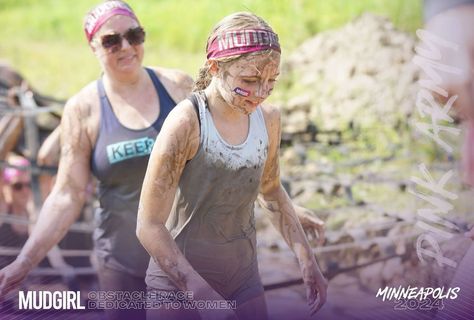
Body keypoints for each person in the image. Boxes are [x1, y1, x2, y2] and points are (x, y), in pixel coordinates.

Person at [0, 1, 192, 319]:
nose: (126, 47)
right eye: (111, 40)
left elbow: (218, 157)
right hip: (121, 263)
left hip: (187, 261)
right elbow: (67, 195)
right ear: (93, 46)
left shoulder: (178, 88)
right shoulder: (83, 109)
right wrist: (24, 262)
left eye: (134, 35)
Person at [137, 12, 328, 320]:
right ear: (215, 68)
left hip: (243, 282)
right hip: (177, 288)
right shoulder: (187, 123)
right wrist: (201, 294)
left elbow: (270, 189)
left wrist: (306, 260)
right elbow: (148, 225)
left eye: (271, 82)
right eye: (249, 81)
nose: (261, 92)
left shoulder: (269, 119)